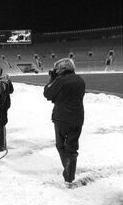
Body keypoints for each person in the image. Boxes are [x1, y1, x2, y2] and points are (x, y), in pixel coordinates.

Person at [43, 58, 85, 188]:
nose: (55, 71)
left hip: (62, 118)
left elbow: (47, 94)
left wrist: (52, 79)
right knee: (72, 147)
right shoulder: (80, 80)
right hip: (77, 118)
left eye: (57, 69)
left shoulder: (60, 81)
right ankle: (69, 178)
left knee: (61, 145)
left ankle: (67, 170)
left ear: (62, 69)